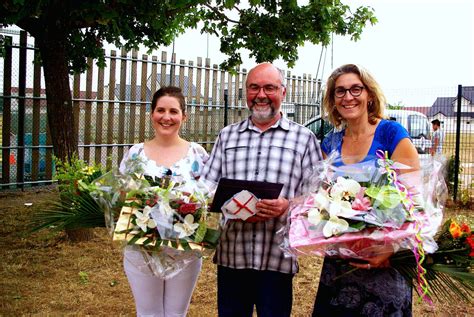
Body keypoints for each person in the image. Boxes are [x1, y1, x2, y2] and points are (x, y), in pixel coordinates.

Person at [202, 63, 323, 317]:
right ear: (245, 92)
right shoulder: (227, 136)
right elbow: (206, 187)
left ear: (283, 92)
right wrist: (231, 204)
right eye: (254, 87)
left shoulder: (303, 138)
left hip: (277, 258)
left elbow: (316, 196)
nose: (261, 95)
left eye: (269, 88)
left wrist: (287, 205)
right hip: (233, 256)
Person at [312, 64, 420, 316]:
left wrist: (391, 249)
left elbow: (418, 201)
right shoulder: (331, 143)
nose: (348, 97)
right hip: (340, 265)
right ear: (333, 100)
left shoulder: (391, 134)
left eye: (355, 89)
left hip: (384, 264)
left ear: (369, 94)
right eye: (340, 91)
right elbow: (321, 197)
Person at [119, 86, 208, 316]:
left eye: (173, 111)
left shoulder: (197, 155)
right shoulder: (136, 154)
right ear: (151, 114)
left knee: (177, 313)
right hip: (142, 250)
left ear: (184, 116)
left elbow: (210, 194)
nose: (166, 117)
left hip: (184, 252)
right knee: (148, 313)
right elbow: (121, 194)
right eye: (160, 110)